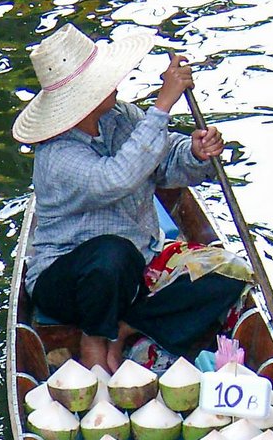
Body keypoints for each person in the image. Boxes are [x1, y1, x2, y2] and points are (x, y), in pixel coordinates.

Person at [13, 23, 246, 372]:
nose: (115, 84)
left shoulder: (121, 117)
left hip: (139, 263)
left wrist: (195, 153)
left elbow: (164, 160)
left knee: (230, 272)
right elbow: (116, 178)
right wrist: (164, 103)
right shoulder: (56, 155)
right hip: (71, 281)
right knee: (111, 254)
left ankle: (126, 328)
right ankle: (94, 336)